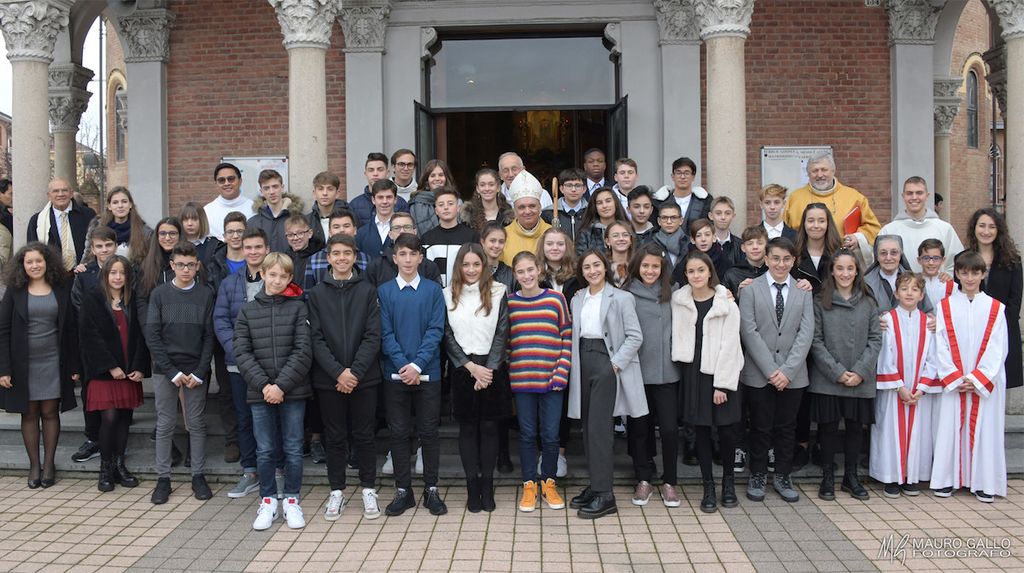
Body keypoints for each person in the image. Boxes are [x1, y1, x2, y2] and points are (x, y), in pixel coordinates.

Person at [234, 253, 313, 530]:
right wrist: (266, 386)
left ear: (290, 278)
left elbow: (303, 351)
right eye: (273, 274)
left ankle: (291, 500)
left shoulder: (298, 309)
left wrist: (281, 386)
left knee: (293, 448)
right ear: (263, 274)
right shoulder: (247, 311)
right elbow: (242, 353)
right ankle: (267, 501)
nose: (277, 280)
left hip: (292, 391)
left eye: (283, 276)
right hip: (260, 392)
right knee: (265, 450)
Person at [308, 234, 383, 521]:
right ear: (328, 258)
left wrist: (354, 372)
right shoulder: (317, 294)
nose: (341, 258)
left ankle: (368, 489)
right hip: (330, 379)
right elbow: (315, 338)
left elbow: (373, 335)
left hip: (364, 378)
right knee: (335, 436)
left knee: (364, 435)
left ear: (355, 256)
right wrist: (338, 372)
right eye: (336, 253)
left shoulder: (368, 291)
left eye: (347, 253)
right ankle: (336, 490)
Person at [568, 249, 646, 519]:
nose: (592, 271)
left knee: (600, 429)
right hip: (582, 361)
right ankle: (596, 484)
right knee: (588, 428)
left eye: (597, 265)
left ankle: (606, 494)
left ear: (605, 267)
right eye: (587, 267)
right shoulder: (577, 298)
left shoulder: (621, 298)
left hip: (606, 362)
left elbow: (635, 336)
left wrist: (614, 365)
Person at [739, 237, 815, 503]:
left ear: (793, 261)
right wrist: (771, 371)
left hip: (793, 375)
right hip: (759, 373)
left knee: (786, 427)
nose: (781, 264)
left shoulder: (803, 291)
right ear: (766, 259)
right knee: (760, 426)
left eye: (786, 259)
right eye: (775, 258)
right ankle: (758, 474)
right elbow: (748, 331)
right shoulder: (750, 289)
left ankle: (783, 475)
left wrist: (787, 371)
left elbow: (806, 333)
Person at [377, 233, 448, 516]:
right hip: (395, 375)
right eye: (402, 254)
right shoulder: (384, 292)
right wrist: (403, 365)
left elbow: (436, 330)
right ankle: (403, 491)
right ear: (395, 258)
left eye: (413, 254)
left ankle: (431, 489)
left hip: (428, 374)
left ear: (421, 257)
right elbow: (385, 333)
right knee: (398, 432)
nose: (408, 259)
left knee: (429, 432)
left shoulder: (433, 290)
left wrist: (417, 365)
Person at [0, 243, 80, 488]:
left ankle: (49, 465)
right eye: (29, 262)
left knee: (50, 412)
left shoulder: (61, 288)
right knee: (29, 413)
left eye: (39, 261)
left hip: (54, 361)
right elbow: (3, 331)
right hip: (23, 364)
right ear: (22, 265)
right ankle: (34, 465)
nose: (34, 265)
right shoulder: (14, 291)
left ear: (47, 262)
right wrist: (4, 369)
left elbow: (70, 329)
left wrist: (74, 366)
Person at [930, 250, 1008, 502]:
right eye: (964, 273)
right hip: (955, 382)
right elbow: (940, 344)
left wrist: (976, 379)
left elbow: (998, 347)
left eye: (975, 272)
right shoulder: (945, 306)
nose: (970, 278)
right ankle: (946, 479)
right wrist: (955, 378)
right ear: (957, 274)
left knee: (986, 429)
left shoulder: (995, 308)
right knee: (950, 427)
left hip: (983, 384)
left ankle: (984, 482)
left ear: (983, 274)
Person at [144, 241, 216, 505]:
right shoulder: (160, 294)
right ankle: (163, 478)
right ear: (172, 265)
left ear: (198, 266)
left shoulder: (205, 294)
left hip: (196, 369)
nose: (186, 269)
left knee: (195, 423)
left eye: (191, 265)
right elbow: (153, 335)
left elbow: (209, 336)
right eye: (181, 265)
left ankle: (198, 475)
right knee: (165, 423)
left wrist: (200, 371)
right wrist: (171, 371)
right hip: (165, 370)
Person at [809, 248, 882, 502]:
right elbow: (815, 340)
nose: (845, 273)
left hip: (859, 378)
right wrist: (837, 372)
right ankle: (827, 477)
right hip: (829, 378)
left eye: (850, 268)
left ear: (857, 270)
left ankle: (851, 477)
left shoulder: (868, 301)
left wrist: (860, 371)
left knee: (854, 429)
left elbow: (876, 339)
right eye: (839, 268)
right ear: (831, 271)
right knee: (828, 429)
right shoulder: (820, 301)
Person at [673, 251, 743, 513]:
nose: (696, 275)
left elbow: (732, 345)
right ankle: (708, 487)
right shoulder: (679, 301)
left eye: (701, 270)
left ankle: (728, 483)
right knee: (700, 431)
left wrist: (722, 384)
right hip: (693, 373)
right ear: (685, 274)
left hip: (720, 373)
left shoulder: (726, 303)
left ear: (710, 271)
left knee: (726, 432)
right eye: (691, 271)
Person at [444, 244, 511, 512]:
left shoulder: (498, 291)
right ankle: (472, 486)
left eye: (476, 264)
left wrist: (489, 369)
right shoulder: (447, 294)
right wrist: (471, 367)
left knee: (490, 427)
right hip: (464, 369)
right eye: (466, 265)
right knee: (468, 429)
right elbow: (447, 335)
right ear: (458, 267)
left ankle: (487, 485)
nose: (471, 270)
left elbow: (502, 331)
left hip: (492, 368)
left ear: (484, 266)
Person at [79, 255, 149, 492]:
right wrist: (110, 366)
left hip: (129, 372)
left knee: (124, 419)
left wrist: (139, 366)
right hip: (104, 372)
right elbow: (90, 337)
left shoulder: (133, 299)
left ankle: (120, 466)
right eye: (113, 272)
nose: (118, 277)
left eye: (122, 273)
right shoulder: (93, 299)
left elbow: (141, 335)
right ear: (105, 275)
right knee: (109, 418)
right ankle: (105, 469)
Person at [508, 251, 570, 513]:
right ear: (515, 275)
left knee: (551, 435)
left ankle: (549, 483)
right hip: (523, 380)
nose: (527, 276)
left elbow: (566, 335)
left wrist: (561, 371)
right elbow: (506, 342)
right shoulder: (510, 303)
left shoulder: (556, 299)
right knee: (527, 434)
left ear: (539, 270)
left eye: (530, 270)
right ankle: (529, 484)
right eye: (521, 272)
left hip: (552, 380)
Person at [215, 228, 271, 499]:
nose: (253, 252)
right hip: (238, 364)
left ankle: (275, 470)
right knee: (244, 417)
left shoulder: (278, 279)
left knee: (272, 418)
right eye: (248, 247)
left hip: (271, 364)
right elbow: (221, 320)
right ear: (242, 250)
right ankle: (250, 471)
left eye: (258, 247)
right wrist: (236, 350)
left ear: (267, 249)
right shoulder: (229, 284)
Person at [870, 272, 938, 498]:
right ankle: (891, 477)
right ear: (896, 293)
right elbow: (884, 356)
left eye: (915, 289)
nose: (909, 293)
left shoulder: (928, 323)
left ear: (922, 295)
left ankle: (911, 476)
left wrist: (921, 388)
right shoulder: (887, 320)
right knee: (890, 431)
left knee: (918, 433)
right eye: (904, 289)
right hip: (894, 391)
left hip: (918, 392)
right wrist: (900, 387)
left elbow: (933, 358)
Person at [624, 244, 681, 507]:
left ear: (662, 268)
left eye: (655, 266)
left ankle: (670, 481)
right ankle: (644, 478)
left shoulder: (674, 291)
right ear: (637, 266)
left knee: (669, 429)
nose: (650, 270)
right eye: (645, 266)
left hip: (667, 373)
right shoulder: (627, 294)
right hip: (637, 371)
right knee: (640, 429)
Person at [69, 226, 119, 464]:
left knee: (117, 392)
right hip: (91, 343)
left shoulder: (125, 270)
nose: (104, 250)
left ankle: (116, 440)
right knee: (90, 392)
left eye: (108, 245)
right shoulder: (84, 275)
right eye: (99, 246)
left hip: (119, 341)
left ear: (115, 246)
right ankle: (92, 438)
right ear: (92, 248)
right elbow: (78, 306)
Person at [536, 227, 580, 477]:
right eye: (550, 243)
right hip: (541, 347)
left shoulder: (578, 276)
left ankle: (560, 452)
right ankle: (544, 451)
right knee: (541, 401)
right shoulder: (535, 275)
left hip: (570, 346)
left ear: (567, 247)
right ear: (542, 247)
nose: (555, 248)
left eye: (560, 244)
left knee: (562, 402)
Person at [782, 153, 880, 262]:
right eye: (815, 171)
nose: (820, 175)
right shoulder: (795, 198)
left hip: (842, 261)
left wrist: (857, 237)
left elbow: (873, 228)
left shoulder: (854, 197)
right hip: (804, 260)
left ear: (833, 170)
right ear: (808, 173)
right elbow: (784, 231)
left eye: (824, 170)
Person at [206, 211, 247, 464]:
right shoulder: (214, 265)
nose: (235, 236)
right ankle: (233, 440)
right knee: (227, 391)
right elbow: (212, 303)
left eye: (240, 231)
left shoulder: (256, 260)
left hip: (255, 339)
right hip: (224, 341)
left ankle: (252, 439)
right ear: (223, 235)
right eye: (231, 231)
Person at [966, 207, 1023, 390]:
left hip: (1003, 331)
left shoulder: (1012, 261)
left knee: (1000, 387)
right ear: (974, 228)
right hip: (973, 333)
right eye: (982, 225)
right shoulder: (964, 259)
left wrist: (998, 329)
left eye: (992, 227)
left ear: (999, 230)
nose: (986, 231)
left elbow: (1014, 301)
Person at [879, 177, 963, 272]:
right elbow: (879, 264)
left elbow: (957, 263)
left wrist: (947, 276)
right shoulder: (889, 231)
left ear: (927, 196)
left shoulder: (945, 229)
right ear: (903, 196)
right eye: (909, 193)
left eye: (919, 193)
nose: (914, 197)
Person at [27, 178, 97, 271]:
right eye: (56, 191)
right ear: (49, 195)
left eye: (64, 190)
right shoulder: (37, 220)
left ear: (71, 193)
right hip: (52, 274)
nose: (60, 194)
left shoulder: (88, 215)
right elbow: (32, 250)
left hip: (84, 272)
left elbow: (96, 243)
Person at [365, 212, 442, 287]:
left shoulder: (429, 267)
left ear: (414, 232)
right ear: (390, 234)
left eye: (407, 227)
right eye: (397, 228)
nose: (402, 231)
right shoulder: (375, 267)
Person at [422, 187, 480, 287]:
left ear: (458, 208)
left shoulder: (472, 236)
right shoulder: (426, 238)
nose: (446, 207)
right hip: (435, 292)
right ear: (436, 210)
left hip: (464, 291)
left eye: (450, 203)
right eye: (441, 205)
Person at [864, 235, 934, 314]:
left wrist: (930, 317)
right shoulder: (865, 284)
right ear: (877, 256)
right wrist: (876, 320)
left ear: (900, 255)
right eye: (883, 253)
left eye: (894, 253)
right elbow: (860, 315)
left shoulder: (915, 280)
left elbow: (927, 311)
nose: (888, 258)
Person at [83, 186, 151, 267]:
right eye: (115, 202)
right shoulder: (97, 226)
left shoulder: (144, 231)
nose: (120, 206)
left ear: (130, 204)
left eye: (124, 202)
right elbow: (88, 254)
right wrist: (82, 266)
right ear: (109, 206)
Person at [304, 208, 371, 288]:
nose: (342, 230)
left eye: (346, 226)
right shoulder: (314, 260)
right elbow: (309, 293)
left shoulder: (366, 260)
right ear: (329, 232)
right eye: (336, 227)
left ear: (355, 230)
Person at [501, 170, 552, 266]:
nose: (527, 211)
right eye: (522, 207)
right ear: (514, 210)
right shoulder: (503, 236)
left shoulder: (552, 233)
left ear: (540, 207)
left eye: (532, 206)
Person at [247, 169, 304, 253]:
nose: (272, 192)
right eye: (266, 188)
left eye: (275, 186)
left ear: (282, 188)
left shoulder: (299, 219)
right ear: (261, 191)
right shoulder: (252, 223)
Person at [793, 203, 842, 294]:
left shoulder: (839, 254)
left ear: (828, 224)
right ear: (804, 223)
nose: (816, 225)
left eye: (821, 221)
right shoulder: (793, 254)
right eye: (811, 221)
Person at [350, 152, 410, 228]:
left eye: (380, 170)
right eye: (371, 170)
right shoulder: (354, 205)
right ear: (365, 173)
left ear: (387, 173)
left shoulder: (401, 204)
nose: (375, 174)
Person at [653, 157, 711, 233]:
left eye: (686, 173)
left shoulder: (704, 202)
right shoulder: (660, 202)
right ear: (672, 176)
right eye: (678, 173)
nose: (682, 177)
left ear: (693, 177)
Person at [205, 163, 254, 241]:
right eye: (221, 180)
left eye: (231, 179)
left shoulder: (253, 208)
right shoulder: (207, 212)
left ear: (240, 181)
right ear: (216, 184)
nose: (226, 183)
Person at [575, 187, 629, 256]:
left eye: (608, 201)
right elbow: (580, 258)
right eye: (599, 203)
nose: (604, 206)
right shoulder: (586, 233)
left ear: (615, 203)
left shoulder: (628, 228)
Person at [672, 219, 728, 286]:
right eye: (698, 236)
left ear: (714, 238)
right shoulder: (686, 261)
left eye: (707, 235)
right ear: (693, 240)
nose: (703, 239)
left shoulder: (723, 261)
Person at [355, 179, 401, 260]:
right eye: (380, 197)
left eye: (389, 197)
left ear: (395, 200)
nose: (385, 201)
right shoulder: (361, 233)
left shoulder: (405, 230)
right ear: (373, 200)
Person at [409, 158, 457, 236]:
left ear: (446, 178)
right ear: (427, 180)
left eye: (441, 175)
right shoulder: (417, 203)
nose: (437, 179)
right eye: (432, 175)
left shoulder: (457, 201)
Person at [461, 168, 514, 234]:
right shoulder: (469, 216)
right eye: (482, 185)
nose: (487, 189)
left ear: (498, 188)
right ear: (477, 189)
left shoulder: (508, 216)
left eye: (491, 184)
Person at [722, 225, 769, 299]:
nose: (755, 247)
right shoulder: (732, 274)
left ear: (767, 246)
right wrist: (738, 296)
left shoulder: (773, 271)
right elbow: (723, 302)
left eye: (760, 243)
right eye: (750, 244)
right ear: (743, 248)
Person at [282, 213, 325, 294]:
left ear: (310, 233)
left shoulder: (319, 257)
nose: (295, 238)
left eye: (300, 233)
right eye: (290, 235)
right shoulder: (284, 259)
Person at [540, 168, 588, 239]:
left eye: (577, 185)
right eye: (569, 185)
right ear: (561, 189)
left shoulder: (591, 212)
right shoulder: (548, 213)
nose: (573, 189)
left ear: (584, 189)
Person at [306, 171, 349, 245]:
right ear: (314, 193)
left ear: (337, 193)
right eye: (320, 189)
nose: (325, 193)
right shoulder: (307, 221)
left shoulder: (349, 217)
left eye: (330, 189)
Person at [179, 201, 221, 268]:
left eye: (194, 219)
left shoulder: (214, 245)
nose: (190, 224)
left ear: (202, 221)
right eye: (186, 219)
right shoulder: (176, 244)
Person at [481, 222, 516, 293]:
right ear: (483, 242)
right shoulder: (473, 271)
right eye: (492, 241)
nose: (497, 245)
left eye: (501, 242)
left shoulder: (510, 274)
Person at [918, 238, 956, 305]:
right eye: (926, 258)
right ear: (919, 260)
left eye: (936, 258)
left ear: (943, 260)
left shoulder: (951, 285)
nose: (931, 263)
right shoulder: (913, 282)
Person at [709, 197, 744, 265]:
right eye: (718, 213)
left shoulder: (740, 246)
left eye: (727, 213)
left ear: (733, 216)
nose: (723, 217)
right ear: (711, 216)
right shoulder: (703, 244)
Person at [653, 202, 688, 267]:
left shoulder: (689, 243)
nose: (669, 222)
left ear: (681, 221)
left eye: (673, 218)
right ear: (659, 221)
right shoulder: (650, 243)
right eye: (664, 218)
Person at [605, 220, 635, 287]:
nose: (621, 239)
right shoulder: (603, 267)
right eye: (615, 236)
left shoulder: (637, 265)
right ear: (607, 241)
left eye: (625, 235)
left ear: (631, 240)